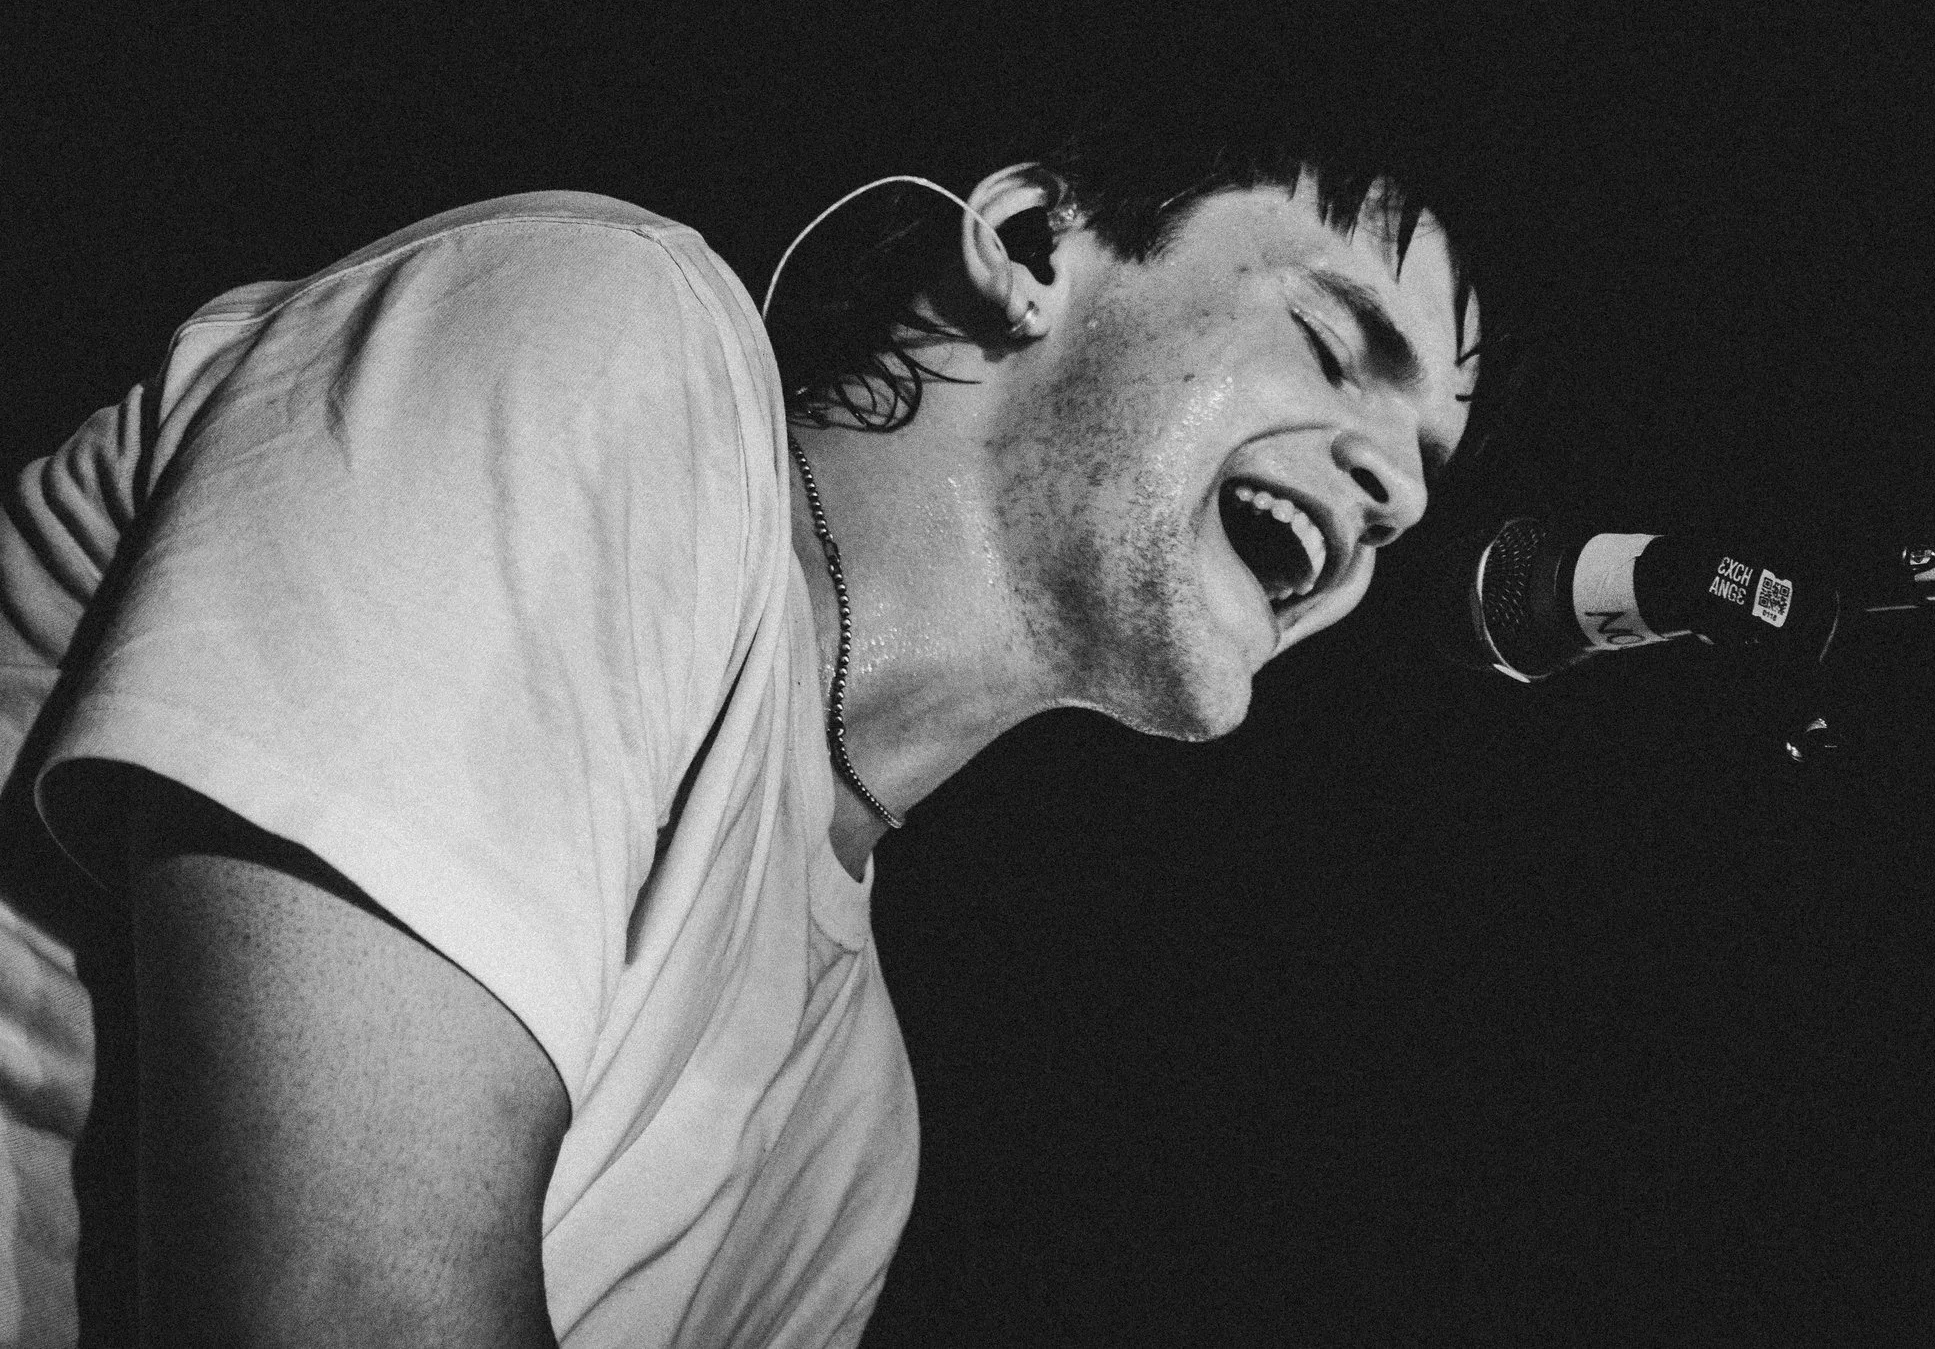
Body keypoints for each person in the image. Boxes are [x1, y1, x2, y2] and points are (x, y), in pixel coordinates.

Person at [0, 101, 1486, 1346]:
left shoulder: (857, 1144)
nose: (1399, 495)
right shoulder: (596, 324)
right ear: (1034, 243)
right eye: (1336, 345)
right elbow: (336, 1308)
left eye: (1423, 466)